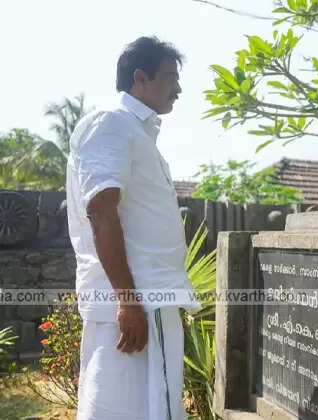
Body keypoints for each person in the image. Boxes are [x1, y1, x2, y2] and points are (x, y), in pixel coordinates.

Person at [66, 36, 200, 420]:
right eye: (171, 76)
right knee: (149, 409)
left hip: (142, 299)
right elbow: (101, 212)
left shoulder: (134, 131)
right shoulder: (111, 123)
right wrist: (128, 301)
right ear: (140, 78)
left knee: (123, 408)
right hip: (139, 299)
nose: (179, 88)